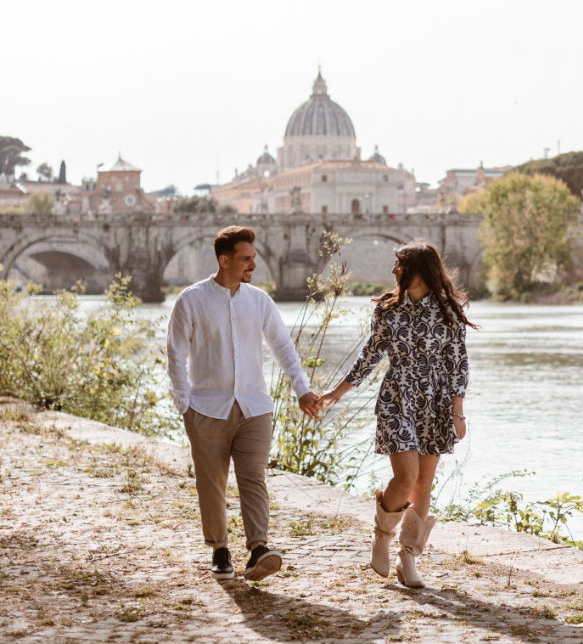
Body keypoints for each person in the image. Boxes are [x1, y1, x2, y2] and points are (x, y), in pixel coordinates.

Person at [166, 225, 320, 582]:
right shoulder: (191, 299)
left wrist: (302, 390)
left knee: (253, 478)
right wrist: (183, 404)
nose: (254, 264)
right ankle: (220, 549)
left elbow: (283, 347)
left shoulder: (260, 300)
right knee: (212, 482)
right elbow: (176, 353)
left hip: (254, 407)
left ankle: (258, 549)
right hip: (206, 408)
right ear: (224, 260)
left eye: (253, 257)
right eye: (246, 259)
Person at [321, 241, 476, 588]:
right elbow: (370, 355)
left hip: (435, 402)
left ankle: (409, 559)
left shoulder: (449, 310)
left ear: (418, 270)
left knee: (424, 483)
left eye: (399, 265)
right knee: (405, 478)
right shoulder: (387, 309)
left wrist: (458, 410)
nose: (393, 271)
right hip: (397, 398)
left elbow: (458, 362)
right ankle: (382, 536)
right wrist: (337, 391)